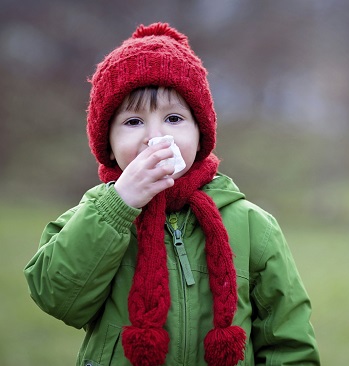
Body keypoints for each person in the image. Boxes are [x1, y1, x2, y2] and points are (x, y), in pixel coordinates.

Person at [24, 22, 320, 366]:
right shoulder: (96, 214)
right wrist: (119, 206)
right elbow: (57, 298)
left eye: (174, 118)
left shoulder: (253, 226)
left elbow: (288, 340)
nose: (156, 137)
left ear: (201, 132)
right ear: (107, 140)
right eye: (133, 122)